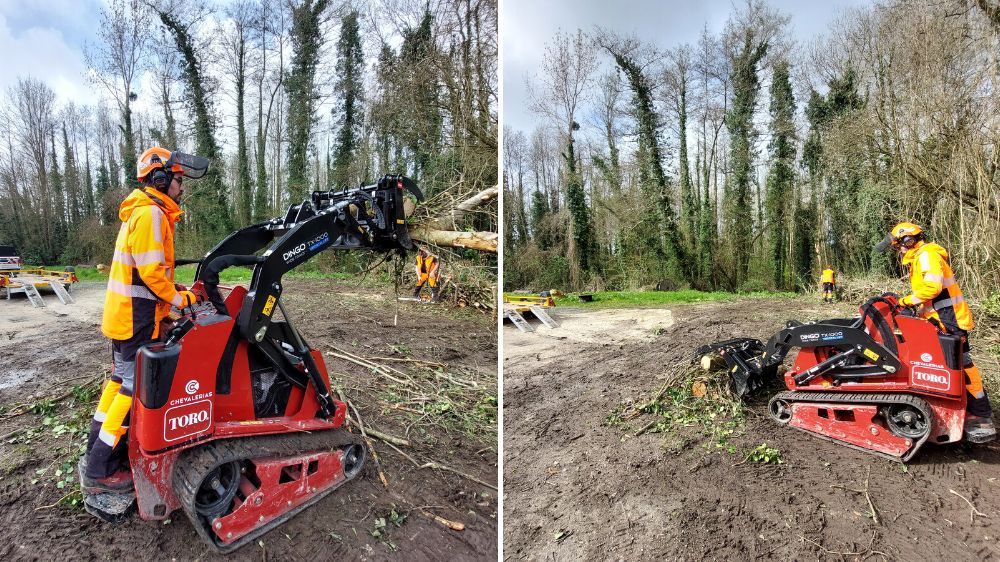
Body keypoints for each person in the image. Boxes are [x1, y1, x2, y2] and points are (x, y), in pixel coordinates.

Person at [82, 147, 202, 490]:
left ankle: (97, 451)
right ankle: (101, 470)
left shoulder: (141, 211)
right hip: (136, 319)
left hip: (124, 316)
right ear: (161, 179)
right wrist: (180, 299)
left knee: (119, 381)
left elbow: (147, 270)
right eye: (178, 180)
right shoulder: (151, 213)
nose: (181, 187)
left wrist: (170, 287)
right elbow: (151, 272)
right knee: (131, 388)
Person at [877, 221, 996, 443]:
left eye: (899, 246)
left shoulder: (926, 255)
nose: (899, 250)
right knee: (952, 364)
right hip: (942, 318)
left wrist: (906, 301)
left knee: (962, 363)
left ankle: (980, 415)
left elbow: (932, 288)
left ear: (909, 240)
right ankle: (965, 407)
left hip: (949, 318)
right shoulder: (921, 258)